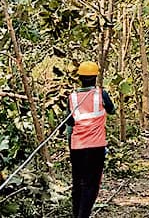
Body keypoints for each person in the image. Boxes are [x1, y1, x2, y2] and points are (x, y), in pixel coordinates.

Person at [64, 61, 115, 218]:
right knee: (91, 185)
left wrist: (70, 146)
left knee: (77, 183)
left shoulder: (72, 98)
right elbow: (112, 110)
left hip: (77, 147)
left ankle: (77, 214)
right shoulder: (101, 94)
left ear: (79, 77)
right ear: (95, 77)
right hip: (95, 147)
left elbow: (70, 123)